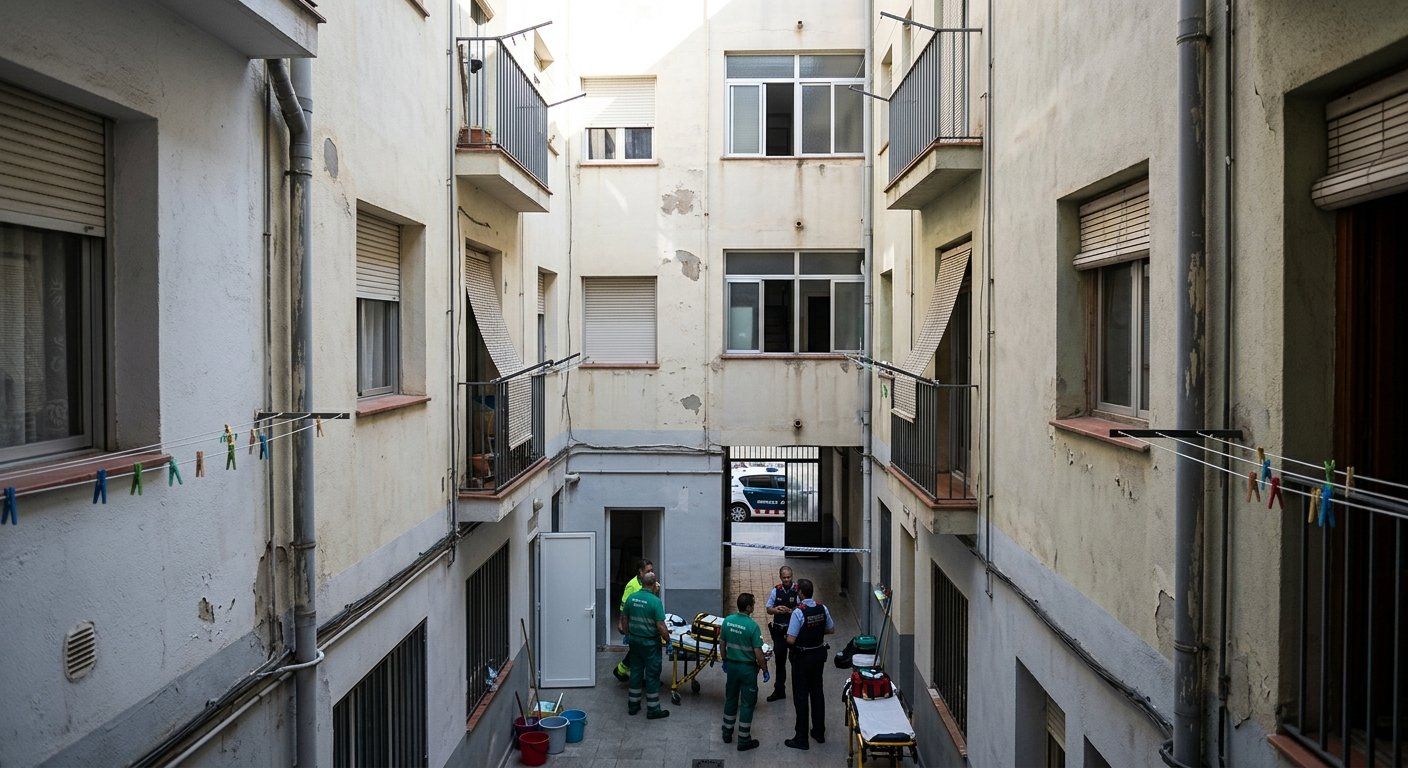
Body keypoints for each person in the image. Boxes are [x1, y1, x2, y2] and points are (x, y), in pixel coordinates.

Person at [783, 577, 835, 750]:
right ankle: (819, 732)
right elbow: (831, 629)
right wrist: (815, 632)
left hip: (802, 659)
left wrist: (785, 636)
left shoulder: (798, 612)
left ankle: (801, 738)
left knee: (801, 696)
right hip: (818, 656)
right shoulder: (822, 608)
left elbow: (791, 640)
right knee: (817, 693)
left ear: (800, 593)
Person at [719, 592, 768, 752]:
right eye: (753, 604)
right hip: (747, 670)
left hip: (732, 668)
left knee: (731, 699)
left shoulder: (728, 621)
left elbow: (722, 643)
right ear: (748, 607)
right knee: (747, 704)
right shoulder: (752, 626)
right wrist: (764, 669)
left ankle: (727, 732)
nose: (754, 606)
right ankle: (743, 739)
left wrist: (725, 660)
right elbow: (758, 652)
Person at [618, 572, 670, 718]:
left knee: (636, 672)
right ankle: (653, 710)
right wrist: (668, 641)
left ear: (641, 583)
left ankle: (633, 705)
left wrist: (627, 634)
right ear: (654, 584)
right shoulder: (655, 601)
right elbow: (660, 625)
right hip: (650, 644)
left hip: (635, 642)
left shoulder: (632, 598)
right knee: (652, 675)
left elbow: (624, 618)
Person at [763, 565, 800, 701]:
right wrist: (776, 610)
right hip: (779, 631)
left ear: (792, 576)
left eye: (788, 577)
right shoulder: (776, 590)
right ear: (780, 577)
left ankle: (799, 691)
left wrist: (790, 611)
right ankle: (779, 691)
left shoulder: (798, 590)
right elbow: (768, 609)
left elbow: (802, 608)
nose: (786, 580)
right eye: (784, 577)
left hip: (793, 632)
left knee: (796, 662)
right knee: (779, 662)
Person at [614, 558, 654, 681]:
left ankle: (625, 671)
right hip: (634, 623)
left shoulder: (650, 583)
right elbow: (624, 606)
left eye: (652, 571)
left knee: (638, 650)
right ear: (640, 572)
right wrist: (621, 623)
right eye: (648, 571)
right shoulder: (632, 585)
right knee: (639, 650)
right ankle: (623, 671)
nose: (651, 573)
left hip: (645, 622)